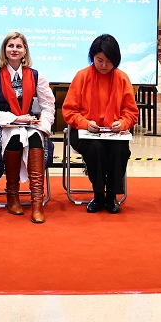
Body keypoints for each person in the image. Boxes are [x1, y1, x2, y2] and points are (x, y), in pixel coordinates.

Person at [0, 32, 55, 223]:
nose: (14, 49)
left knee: (35, 137)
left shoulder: (36, 75)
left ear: (25, 51)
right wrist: (14, 118)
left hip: (30, 124)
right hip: (3, 125)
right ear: (4, 50)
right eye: (11, 46)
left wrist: (43, 124)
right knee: (14, 137)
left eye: (18, 46)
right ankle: (12, 194)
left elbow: (48, 106)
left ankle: (37, 201)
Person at [62, 34, 139, 213]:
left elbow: (131, 112)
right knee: (95, 147)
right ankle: (98, 195)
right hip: (84, 131)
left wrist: (122, 123)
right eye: (99, 60)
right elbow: (69, 110)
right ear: (92, 57)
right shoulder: (82, 76)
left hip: (113, 132)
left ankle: (111, 196)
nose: (104, 65)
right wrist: (85, 123)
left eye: (109, 61)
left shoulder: (122, 78)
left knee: (118, 149)